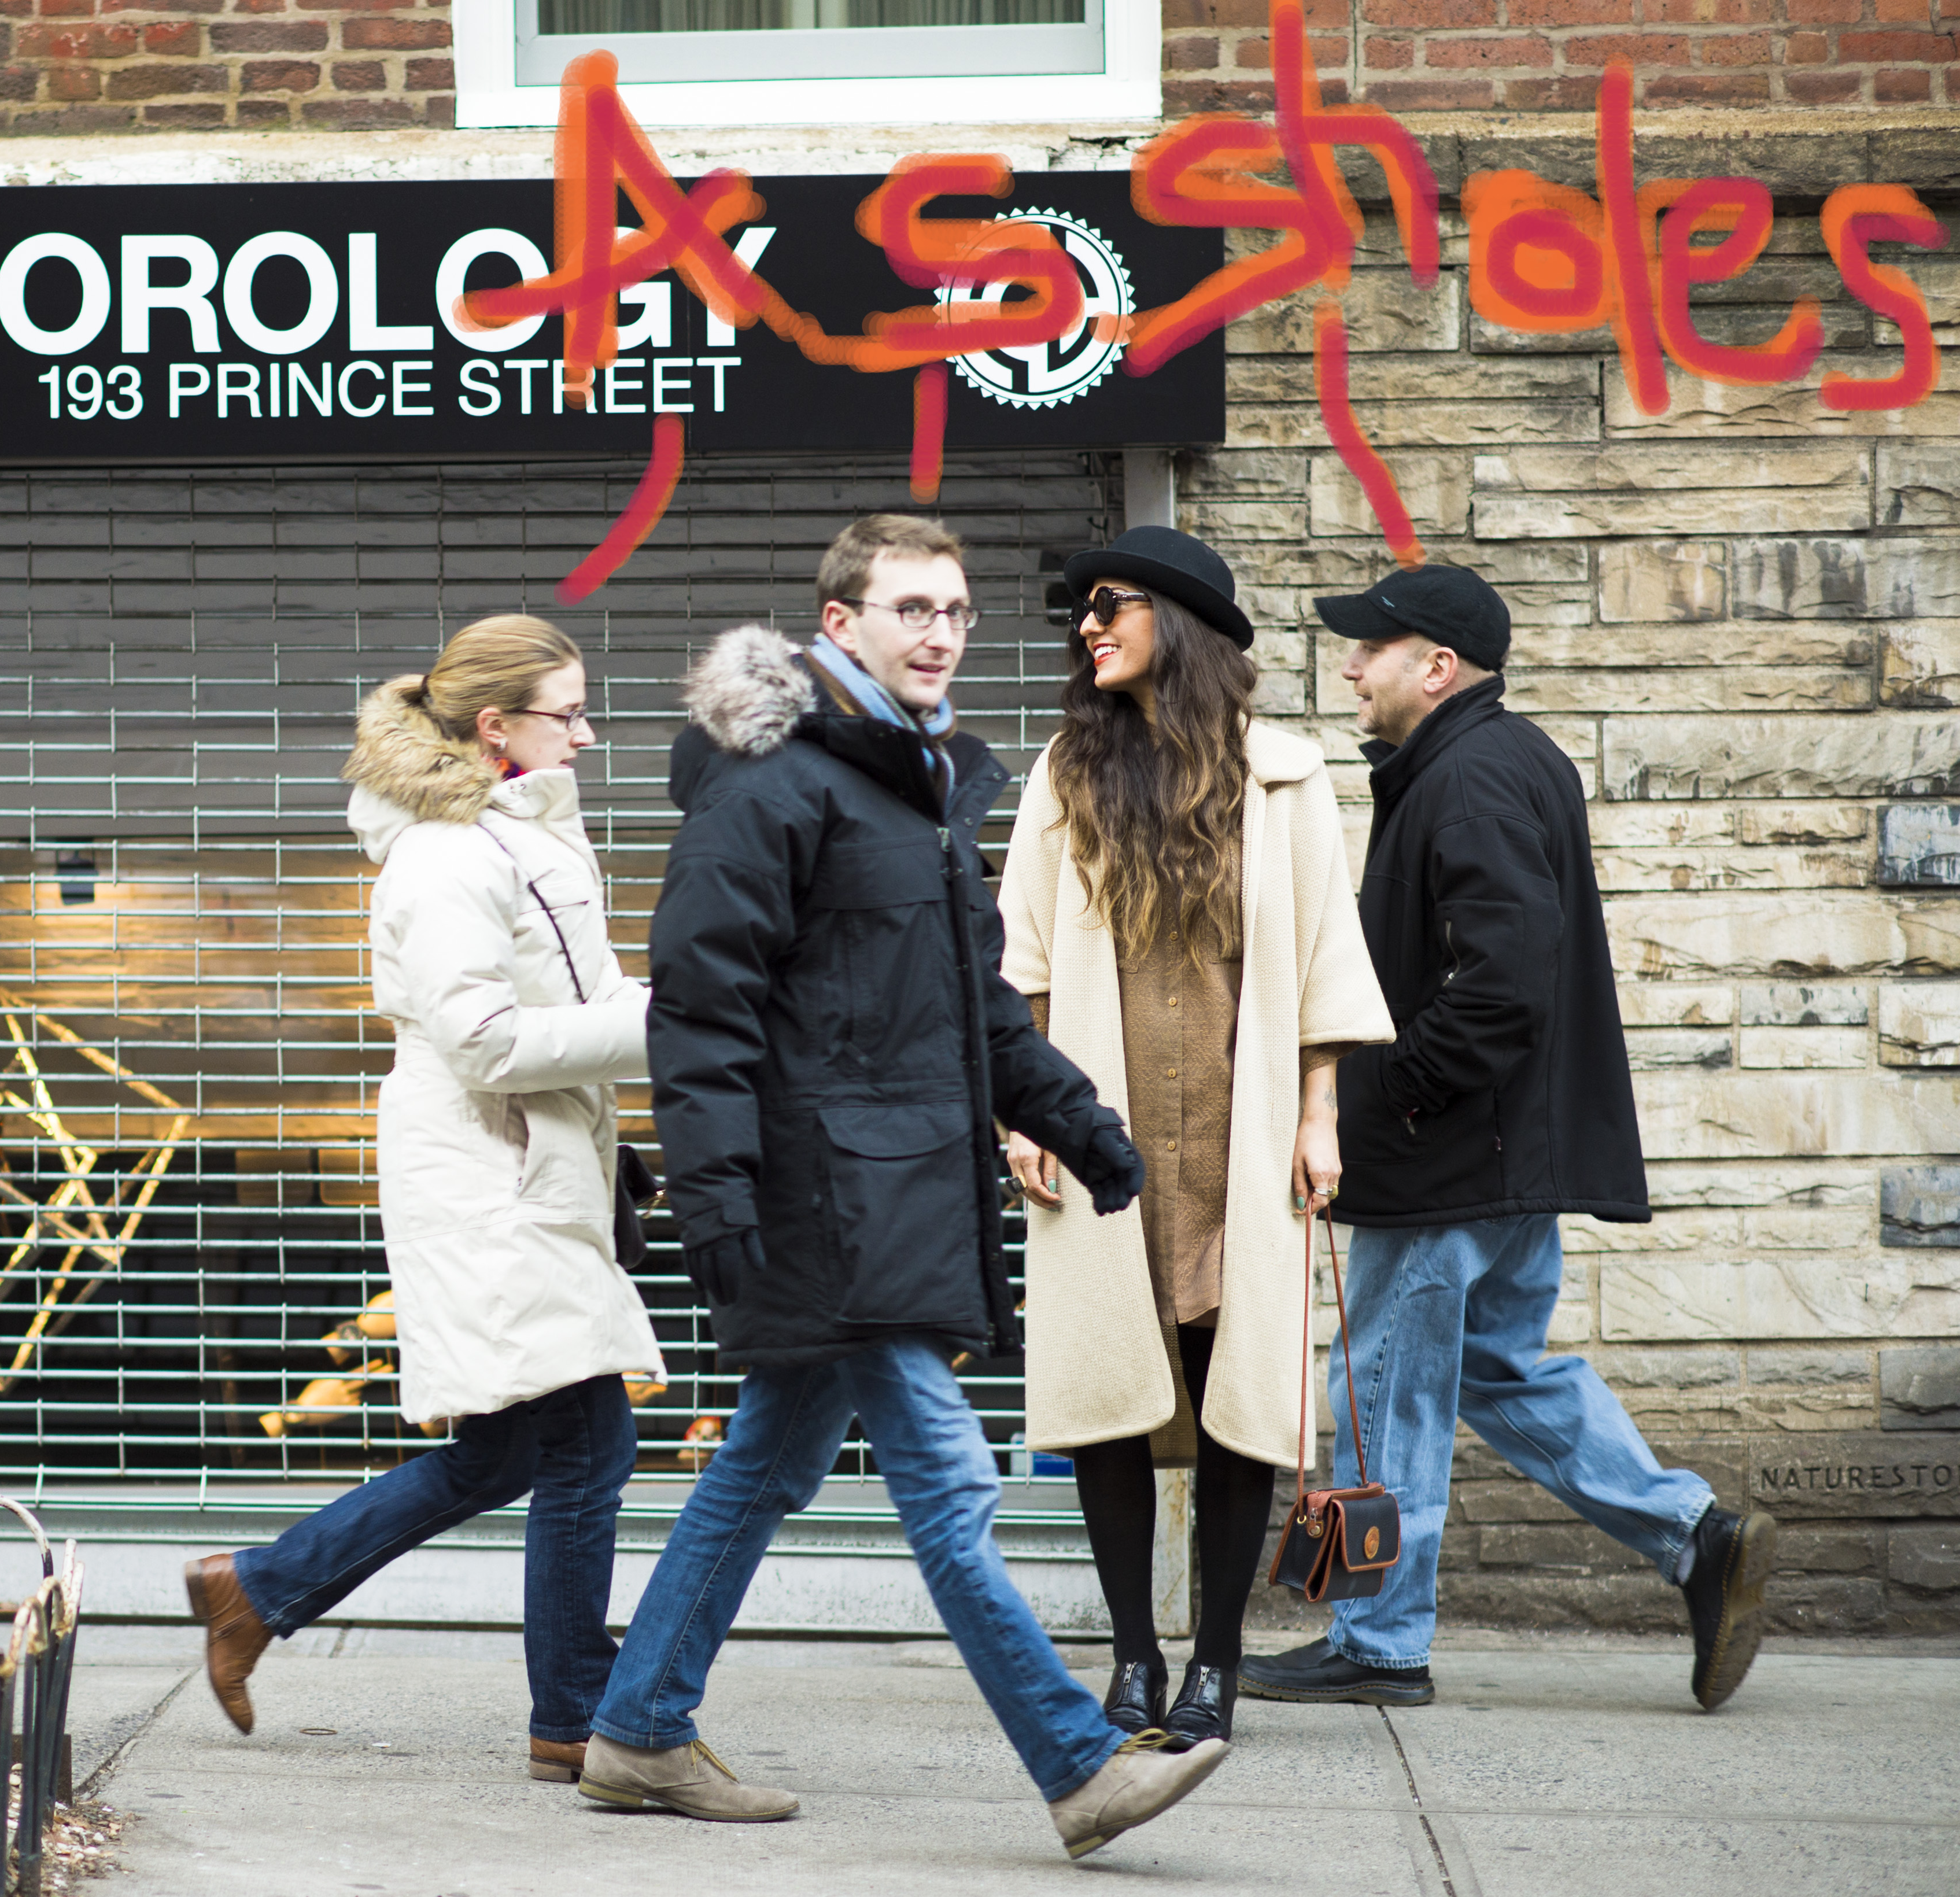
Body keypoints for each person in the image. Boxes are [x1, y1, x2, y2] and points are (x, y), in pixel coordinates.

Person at [574, 513, 1231, 1863]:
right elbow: (702, 1014)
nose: (941, 634)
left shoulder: (910, 788)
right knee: (946, 1478)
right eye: (911, 610)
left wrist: (1081, 1124)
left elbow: (970, 1009)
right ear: (838, 626)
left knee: (759, 1466)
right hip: (826, 1204)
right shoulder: (770, 788)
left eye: (957, 613)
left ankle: (638, 1725)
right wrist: (716, 1200)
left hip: (894, 1194)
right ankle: (1077, 1761)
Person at [1239, 563, 1780, 1714]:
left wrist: (1390, 1104)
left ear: (1435, 665)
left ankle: (1377, 1640)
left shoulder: (1471, 776)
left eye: (1369, 647)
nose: (1348, 665)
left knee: (1377, 1388)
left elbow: (1500, 985)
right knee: (1496, 1367)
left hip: (1448, 1160)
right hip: (1497, 1159)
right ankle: (1695, 1535)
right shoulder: (1496, 758)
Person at [182, 614, 665, 1782]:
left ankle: (256, 1584)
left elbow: (583, 996)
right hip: (492, 1181)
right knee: (589, 1447)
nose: (589, 735)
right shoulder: (449, 857)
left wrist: (674, 1000)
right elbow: (490, 1042)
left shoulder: (527, 836)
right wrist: (674, 1021)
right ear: (496, 727)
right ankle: (574, 1715)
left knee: (503, 1455)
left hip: (538, 1172)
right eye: (568, 712)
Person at [999, 526, 1394, 1752]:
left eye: (1107, 603)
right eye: (1083, 609)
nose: (1086, 625)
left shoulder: (1283, 778)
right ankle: (1130, 1655)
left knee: (1240, 1397)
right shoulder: (1067, 772)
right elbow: (1019, 963)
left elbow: (1327, 958)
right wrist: (1023, 1108)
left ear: (1179, 619)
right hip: (1101, 1127)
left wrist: (1320, 1115)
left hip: (1244, 1130)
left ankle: (1214, 1662)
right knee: (1111, 1387)